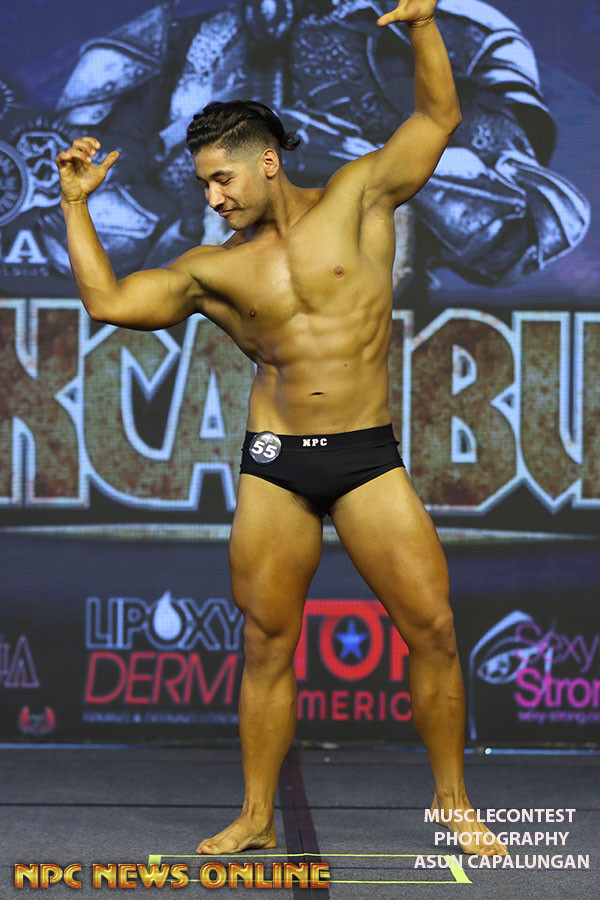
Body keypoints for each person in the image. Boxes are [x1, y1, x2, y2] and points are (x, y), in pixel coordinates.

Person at [55, 0, 508, 858]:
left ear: (267, 162)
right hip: (276, 465)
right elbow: (108, 301)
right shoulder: (212, 270)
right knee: (266, 642)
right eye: (203, 185)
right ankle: (257, 816)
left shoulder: (360, 197)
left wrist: (423, 26)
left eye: (223, 179)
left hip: (365, 457)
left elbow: (437, 119)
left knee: (434, 630)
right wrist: (75, 204)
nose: (214, 196)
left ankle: (453, 804)